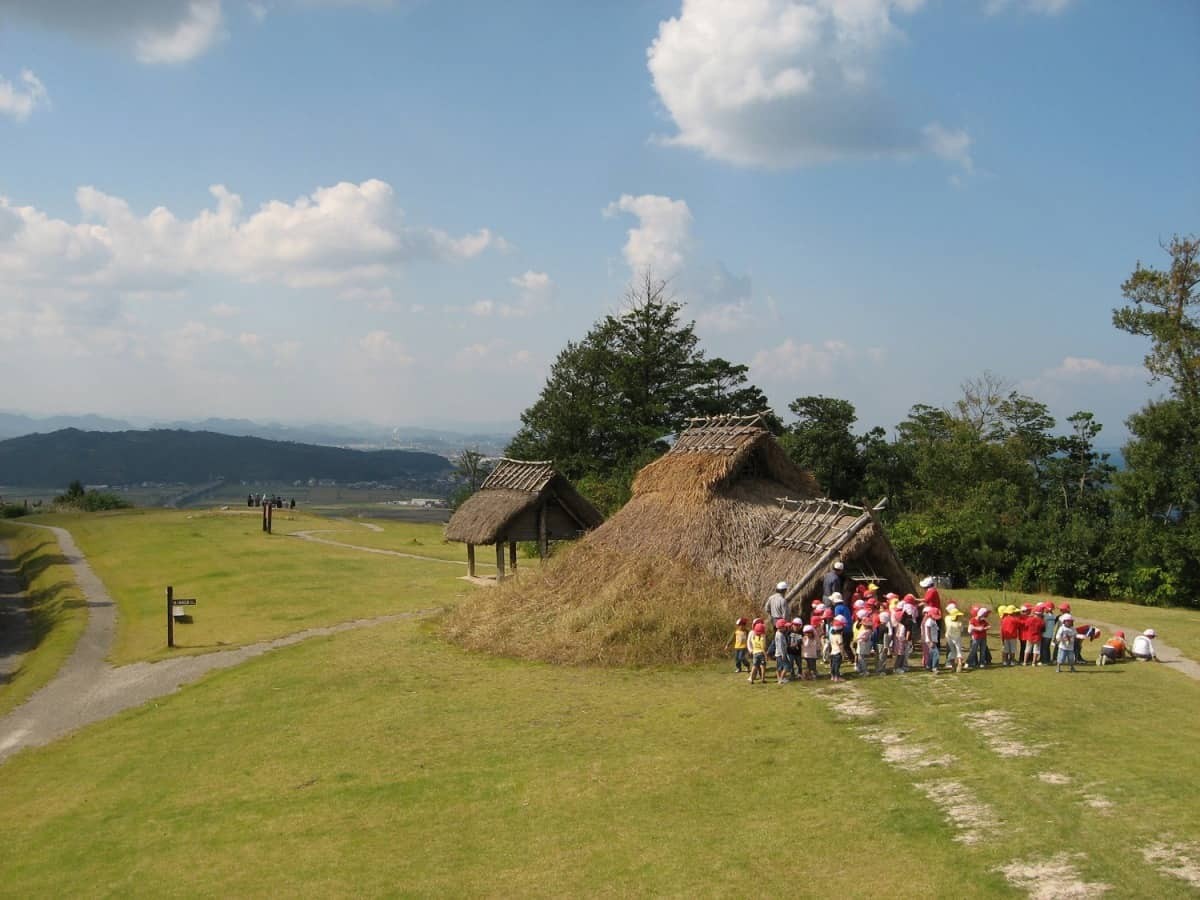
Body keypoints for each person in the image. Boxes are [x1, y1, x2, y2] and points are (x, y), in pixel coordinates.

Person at [944, 603, 965, 673]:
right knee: (959, 651)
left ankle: (953, 666)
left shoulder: (947, 619)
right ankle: (959, 664)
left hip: (949, 638)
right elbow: (961, 630)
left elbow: (948, 617)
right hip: (957, 638)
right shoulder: (959, 624)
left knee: (952, 652)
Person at [854, 610, 873, 676]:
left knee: (861, 658)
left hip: (863, 646)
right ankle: (862, 670)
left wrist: (858, 639)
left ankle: (865, 671)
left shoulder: (866, 631)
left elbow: (865, 638)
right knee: (860, 658)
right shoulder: (868, 630)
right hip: (861, 646)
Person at [922, 607, 941, 673]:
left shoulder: (933, 621)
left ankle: (928, 666)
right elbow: (928, 631)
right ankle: (934, 667)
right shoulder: (929, 621)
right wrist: (930, 641)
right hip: (931, 640)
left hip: (934, 640)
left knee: (931, 653)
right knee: (936, 653)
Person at [829, 615, 847, 682]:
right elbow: (841, 646)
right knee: (837, 666)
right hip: (838, 653)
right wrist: (843, 654)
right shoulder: (839, 636)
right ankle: (837, 677)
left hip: (833, 652)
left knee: (833, 665)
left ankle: (833, 676)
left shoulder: (832, 635)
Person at [874, 611, 893, 675]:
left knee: (877, 657)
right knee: (882, 658)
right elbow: (885, 637)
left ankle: (877, 669)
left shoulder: (877, 626)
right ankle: (881, 670)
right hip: (882, 644)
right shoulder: (886, 628)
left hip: (877, 644)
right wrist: (886, 646)